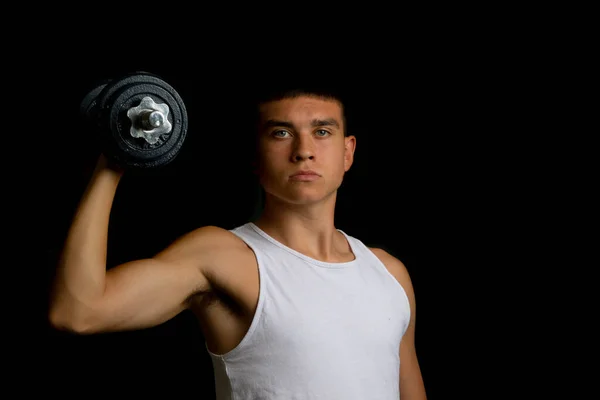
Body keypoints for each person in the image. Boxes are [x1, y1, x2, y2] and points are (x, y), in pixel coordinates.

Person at [48, 83, 427, 399]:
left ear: (348, 152)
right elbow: (78, 311)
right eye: (281, 133)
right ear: (255, 157)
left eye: (322, 132)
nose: (303, 150)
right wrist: (114, 159)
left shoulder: (389, 273)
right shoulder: (225, 257)